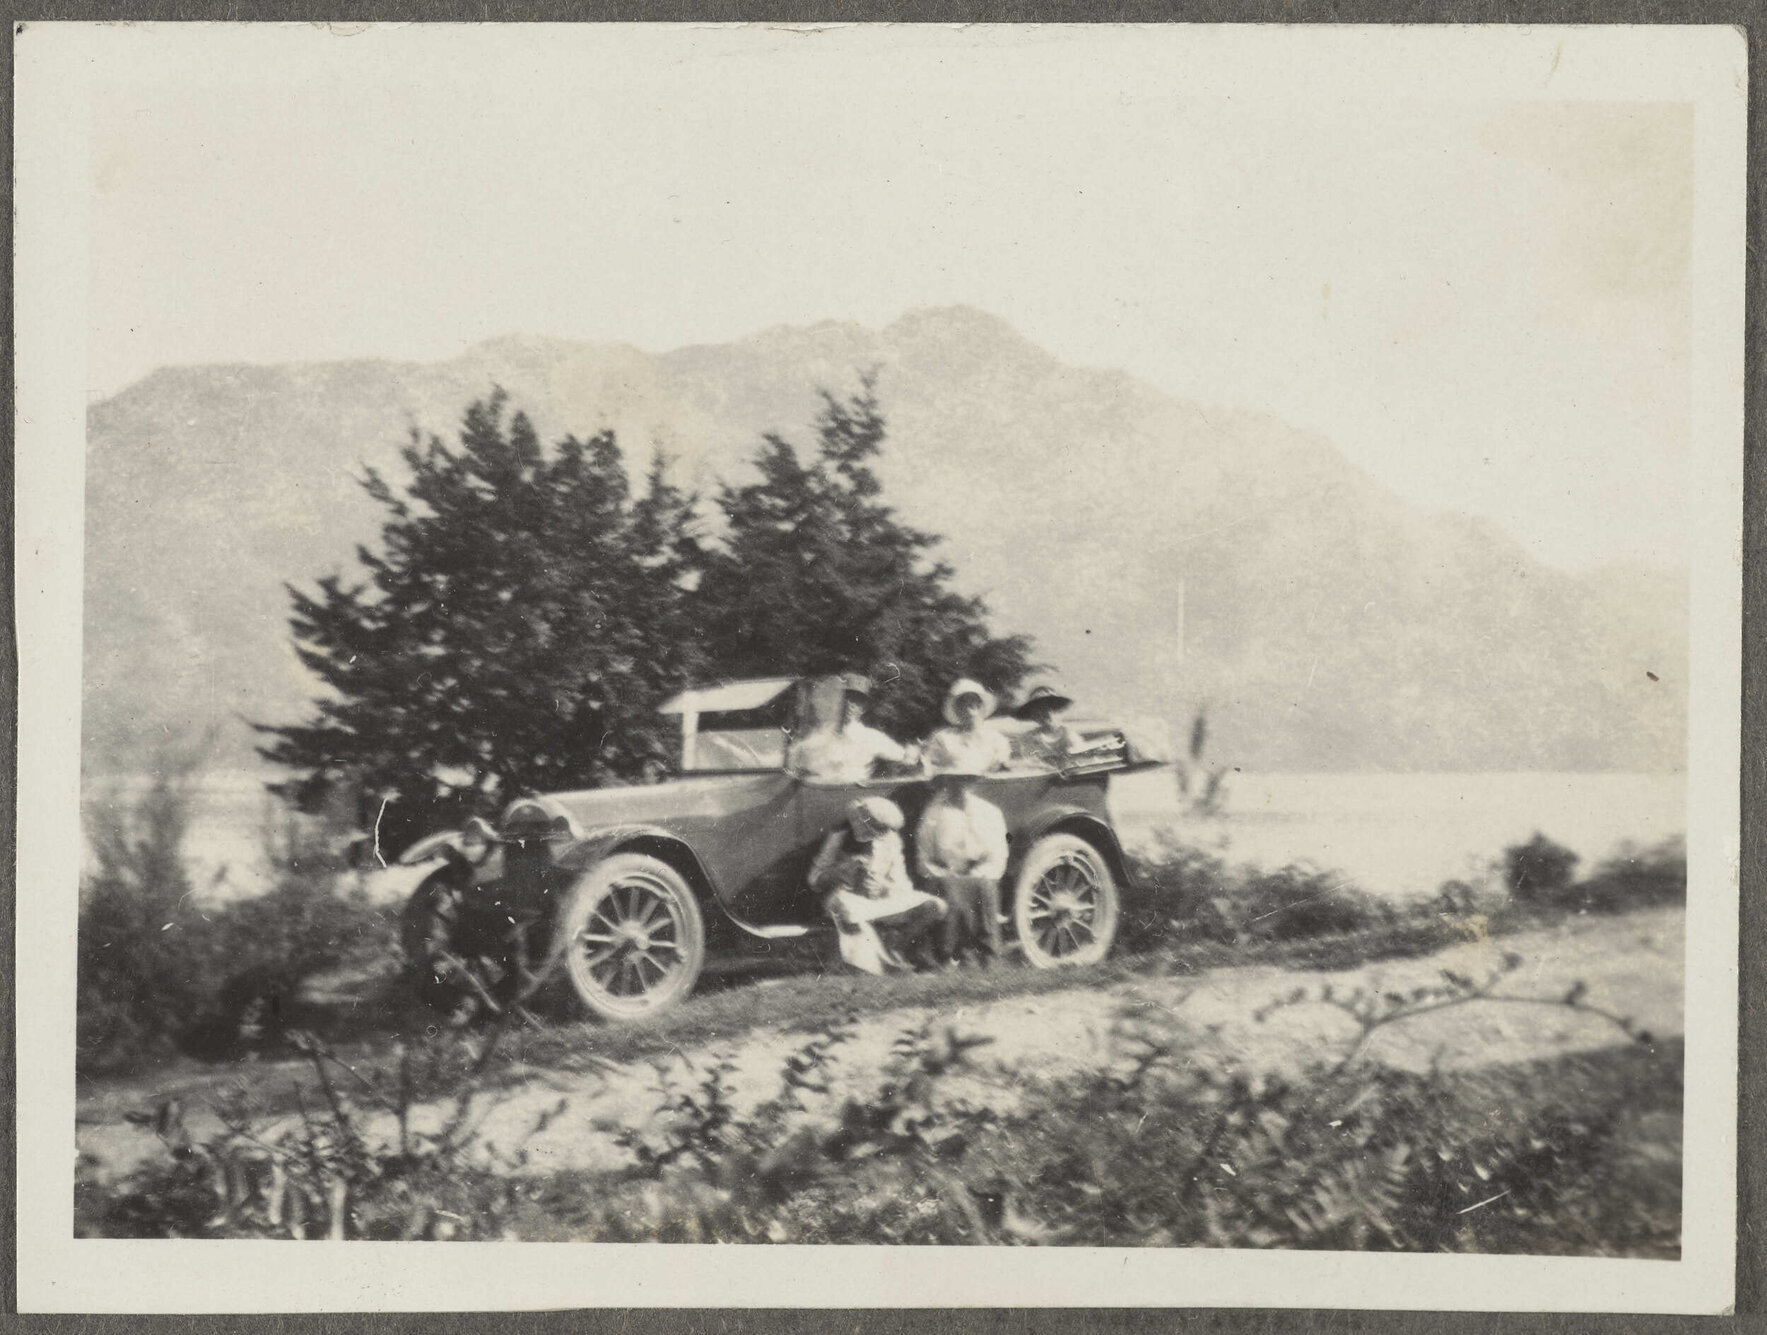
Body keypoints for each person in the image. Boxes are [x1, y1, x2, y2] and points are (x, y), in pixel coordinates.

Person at [810, 796, 947, 974]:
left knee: (936, 906)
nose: (877, 836)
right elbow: (815, 879)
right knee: (848, 909)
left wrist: (884, 887)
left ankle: (896, 946)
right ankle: (882, 964)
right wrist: (841, 870)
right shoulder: (839, 837)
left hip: (881, 901)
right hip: (847, 899)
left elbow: (902, 883)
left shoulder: (890, 839)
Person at [914, 764, 1010, 968]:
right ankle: (948, 956)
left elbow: (999, 854)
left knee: (982, 888)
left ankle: (984, 955)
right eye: (952, 780)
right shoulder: (933, 813)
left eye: (965, 779)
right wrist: (942, 873)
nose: (959, 786)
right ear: (944, 783)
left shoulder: (989, 812)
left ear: (973, 782)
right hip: (944, 877)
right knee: (950, 889)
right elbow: (923, 857)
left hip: (980, 875)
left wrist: (978, 873)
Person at [787, 674, 915, 783]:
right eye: (847, 698)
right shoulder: (821, 734)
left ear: (863, 708)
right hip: (820, 796)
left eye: (857, 701)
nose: (850, 705)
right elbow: (795, 760)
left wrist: (912, 754)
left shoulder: (871, 737)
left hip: (852, 797)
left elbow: (905, 756)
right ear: (838, 701)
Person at [921, 678, 1013, 775]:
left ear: (981, 705)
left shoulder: (997, 739)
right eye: (963, 701)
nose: (971, 704)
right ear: (956, 709)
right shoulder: (943, 738)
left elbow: (1002, 773)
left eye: (975, 699)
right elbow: (928, 770)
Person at [1009, 684, 1082, 770]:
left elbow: (1079, 760)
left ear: (1057, 710)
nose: (1047, 714)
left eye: (1050, 708)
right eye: (1040, 710)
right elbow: (1029, 765)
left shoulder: (1068, 734)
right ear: (1034, 716)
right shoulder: (1028, 738)